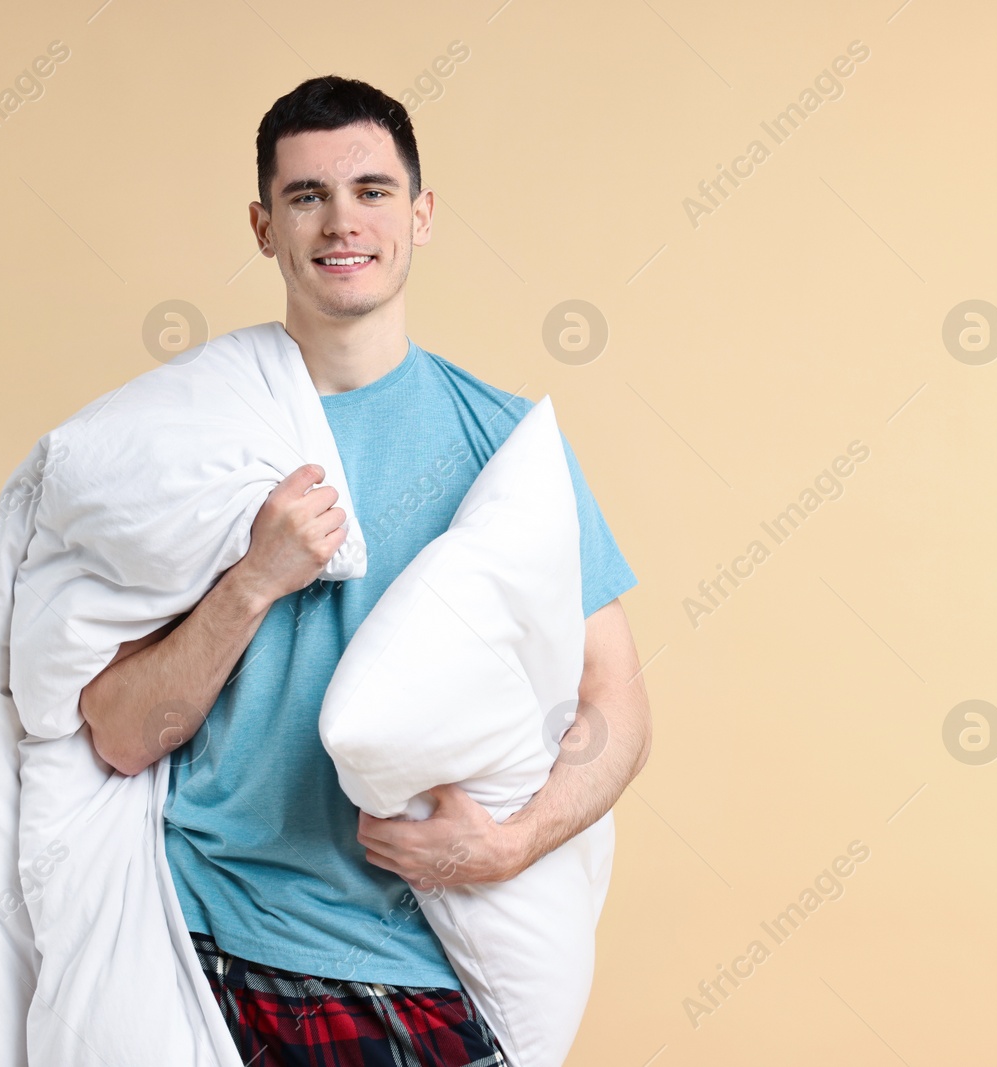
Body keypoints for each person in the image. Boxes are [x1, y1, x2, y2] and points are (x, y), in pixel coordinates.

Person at [78, 75, 652, 1067]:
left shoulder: (507, 445)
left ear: (420, 214)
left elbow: (619, 702)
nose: (342, 220)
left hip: (406, 961)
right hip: (197, 941)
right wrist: (254, 577)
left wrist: (512, 844)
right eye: (307, 196)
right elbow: (120, 731)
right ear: (264, 226)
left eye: (373, 191)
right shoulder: (191, 439)